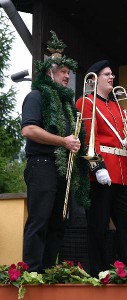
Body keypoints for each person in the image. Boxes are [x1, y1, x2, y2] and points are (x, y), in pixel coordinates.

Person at [21, 31, 89, 273]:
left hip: (62, 168)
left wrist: (74, 144)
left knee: (58, 223)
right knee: (39, 221)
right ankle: (31, 274)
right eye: (62, 71)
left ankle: (48, 272)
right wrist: (63, 141)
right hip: (42, 164)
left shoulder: (66, 106)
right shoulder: (36, 95)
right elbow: (29, 130)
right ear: (50, 72)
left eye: (69, 72)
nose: (67, 75)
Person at [75, 60, 127, 278]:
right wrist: (96, 166)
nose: (112, 77)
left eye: (112, 74)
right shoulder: (85, 103)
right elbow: (86, 139)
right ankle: (99, 277)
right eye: (107, 74)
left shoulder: (118, 108)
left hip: (123, 175)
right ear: (94, 79)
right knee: (98, 230)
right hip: (100, 175)